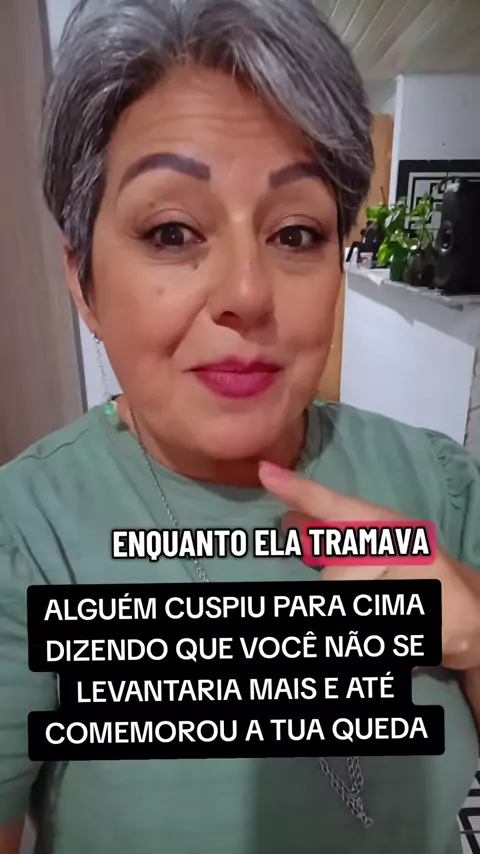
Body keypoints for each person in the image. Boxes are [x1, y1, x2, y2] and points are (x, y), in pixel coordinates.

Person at [0, 0, 479, 852]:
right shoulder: (26, 538)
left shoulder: (439, 484)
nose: (249, 294)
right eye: (172, 231)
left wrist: (471, 637)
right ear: (84, 282)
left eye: (295, 233)